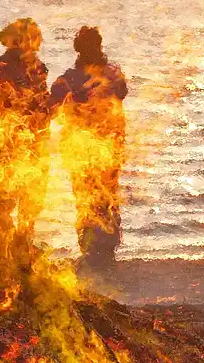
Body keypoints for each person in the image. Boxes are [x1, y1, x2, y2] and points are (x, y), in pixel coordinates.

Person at [48, 26, 128, 268]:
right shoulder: (113, 75)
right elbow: (122, 92)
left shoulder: (69, 79)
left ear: (78, 50)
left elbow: (50, 107)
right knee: (108, 197)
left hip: (82, 150)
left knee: (85, 198)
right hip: (109, 147)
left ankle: (91, 250)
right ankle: (107, 250)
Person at [0, 18, 51, 237]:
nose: (38, 45)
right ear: (23, 41)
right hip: (17, 139)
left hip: (21, 139)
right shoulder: (1, 70)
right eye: (35, 39)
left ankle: (14, 240)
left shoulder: (34, 68)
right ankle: (18, 240)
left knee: (12, 195)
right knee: (21, 195)